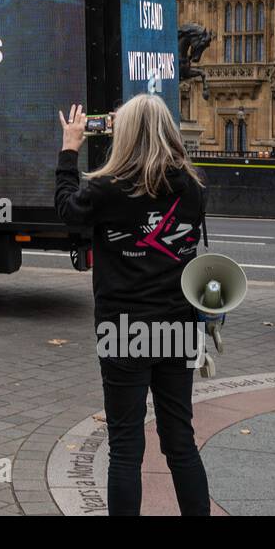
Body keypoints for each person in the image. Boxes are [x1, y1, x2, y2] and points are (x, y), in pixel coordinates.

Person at [55, 94, 210, 516]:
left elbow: (69, 212)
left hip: (122, 328)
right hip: (178, 327)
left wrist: (70, 149)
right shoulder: (193, 188)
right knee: (180, 440)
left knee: (125, 446)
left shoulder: (108, 188)